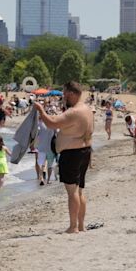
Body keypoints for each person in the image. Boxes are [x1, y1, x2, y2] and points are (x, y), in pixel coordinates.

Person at [34, 81, 94, 234]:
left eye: (65, 93)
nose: (63, 96)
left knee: (72, 191)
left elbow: (52, 123)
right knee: (79, 190)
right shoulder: (86, 109)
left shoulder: (74, 112)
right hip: (84, 151)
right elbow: (64, 120)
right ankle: (81, 225)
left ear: (72, 94)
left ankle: (73, 226)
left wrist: (41, 110)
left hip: (72, 154)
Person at [35, 118, 57, 186]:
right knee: (50, 165)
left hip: (41, 148)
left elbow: (35, 134)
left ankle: (41, 178)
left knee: (42, 164)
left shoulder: (39, 124)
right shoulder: (53, 125)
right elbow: (56, 134)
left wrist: (33, 145)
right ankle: (48, 180)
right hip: (51, 148)